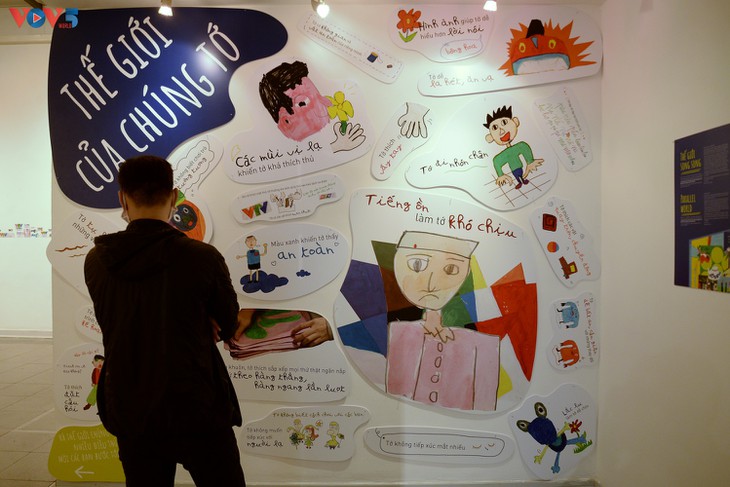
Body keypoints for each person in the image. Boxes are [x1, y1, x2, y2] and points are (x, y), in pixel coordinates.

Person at [84, 155, 246, 487]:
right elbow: (229, 324)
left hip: (130, 404)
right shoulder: (203, 257)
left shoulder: (97, 260)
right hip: (197, 404)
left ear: (122, 198)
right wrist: (203, 320)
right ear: (173, 197)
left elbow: (118, 318)